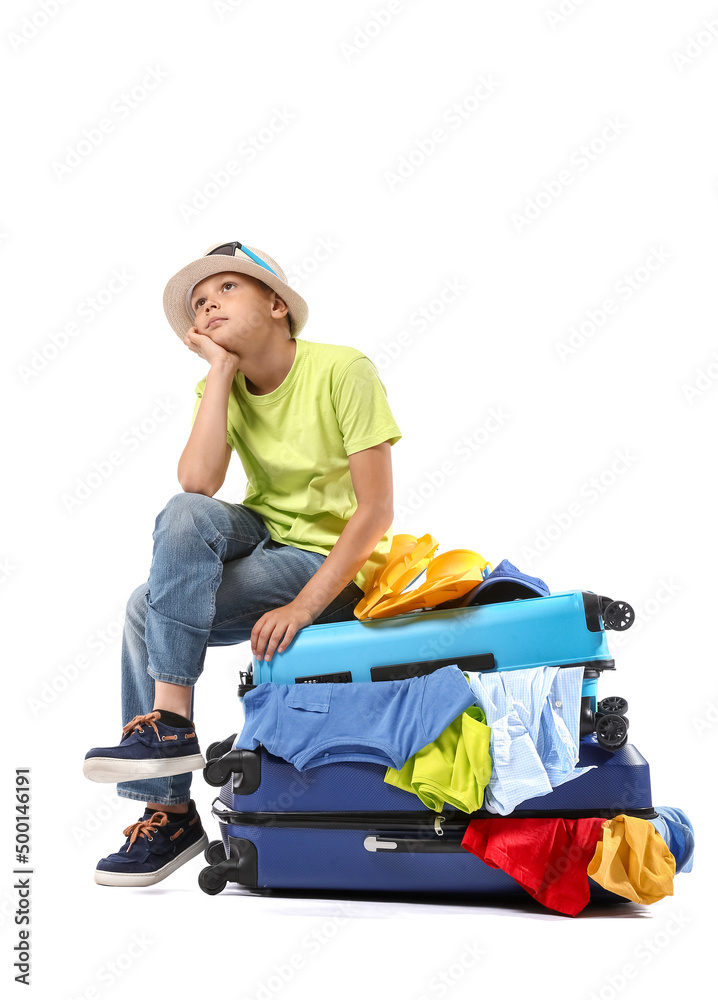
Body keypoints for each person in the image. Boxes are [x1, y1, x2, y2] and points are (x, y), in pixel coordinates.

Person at [82, 241, 402, 886]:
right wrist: (221, 374)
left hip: (325, 562)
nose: (207, 306)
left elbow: (375, 511)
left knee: (149, 611)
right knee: (181, 519)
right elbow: (198, 483)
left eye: (225, 290)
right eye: (200, 304)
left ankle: (167, 794)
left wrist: (305, 604)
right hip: (264, 533)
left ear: (277, 304)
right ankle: (170, 739)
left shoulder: (344, 370)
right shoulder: (218, 382)